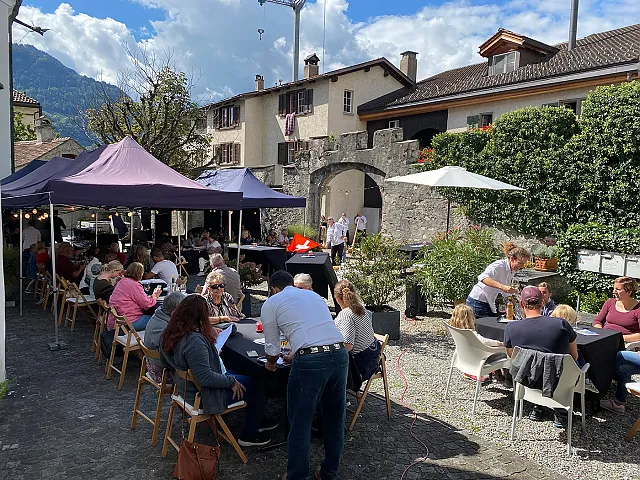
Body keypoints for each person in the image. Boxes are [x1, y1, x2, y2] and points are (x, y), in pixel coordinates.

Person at [261, 271, 347, 480]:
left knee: (300, 419)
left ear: (273, 288)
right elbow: (318, 330)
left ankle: (297, 475)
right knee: (335, 418)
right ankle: (329, 472)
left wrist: (272, 364)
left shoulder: (272, 303)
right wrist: (295, 352)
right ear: (292, 284)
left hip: (311, 361)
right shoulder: (314, 296)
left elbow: (272, 348)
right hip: (339, 353)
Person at [160, 295, 275, 447]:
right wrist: (231, 381)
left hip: (184, 389)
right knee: (256, 382)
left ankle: (258, 416)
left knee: (243, 372)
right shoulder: (194, 341)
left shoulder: (170, 332)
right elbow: (206, 378)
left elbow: (166, 362)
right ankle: (249, 433)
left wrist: (211, 355)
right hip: (203, 395)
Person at [504, 286, 578, 427]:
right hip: (559, 383)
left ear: (521, 304)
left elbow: (513, 357)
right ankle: (561, 412)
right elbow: (574, 357)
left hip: (528, 382)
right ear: (543, 303)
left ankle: (537, 407)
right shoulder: (562, 324)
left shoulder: (510, 328)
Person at [466, 242, 530, 318]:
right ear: (512, 259)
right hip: (478, 301)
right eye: (520, 263)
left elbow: (505, 289)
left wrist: (512, 299)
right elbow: (482, 278)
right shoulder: (498, 266)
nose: (522, 266)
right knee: (484, 328)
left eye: (523, 264)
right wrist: (502, 287)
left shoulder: (512, 270)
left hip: (488, 302)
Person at [333, 280, 381, 380]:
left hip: (360, 366)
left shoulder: (346, 314)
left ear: (337, 298)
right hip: (373, 357)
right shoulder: (361, 308)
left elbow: (348, 345)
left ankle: (337, 393)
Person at [144, 291, 187, 384]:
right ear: (173, 313)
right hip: (163, 373)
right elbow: (176, 359)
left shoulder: (160, 314)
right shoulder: (164, 331)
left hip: (155, 364)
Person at [107, 262, 161, 331]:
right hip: (129, 323)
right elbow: (147, 304)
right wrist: (154, 297)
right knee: (159, 320)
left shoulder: (122, 281)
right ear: (140, 274)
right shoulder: (133, 285)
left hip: (117, 321)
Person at [592, 276, 640, 342]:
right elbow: (597, 321)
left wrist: (617, 338)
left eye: (618, 289)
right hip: (603, 339)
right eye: (614, 289)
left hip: (623, 343)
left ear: (629, 292)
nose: (614, 292)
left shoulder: (638, 310)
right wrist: (602, 333)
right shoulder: (610, 303)